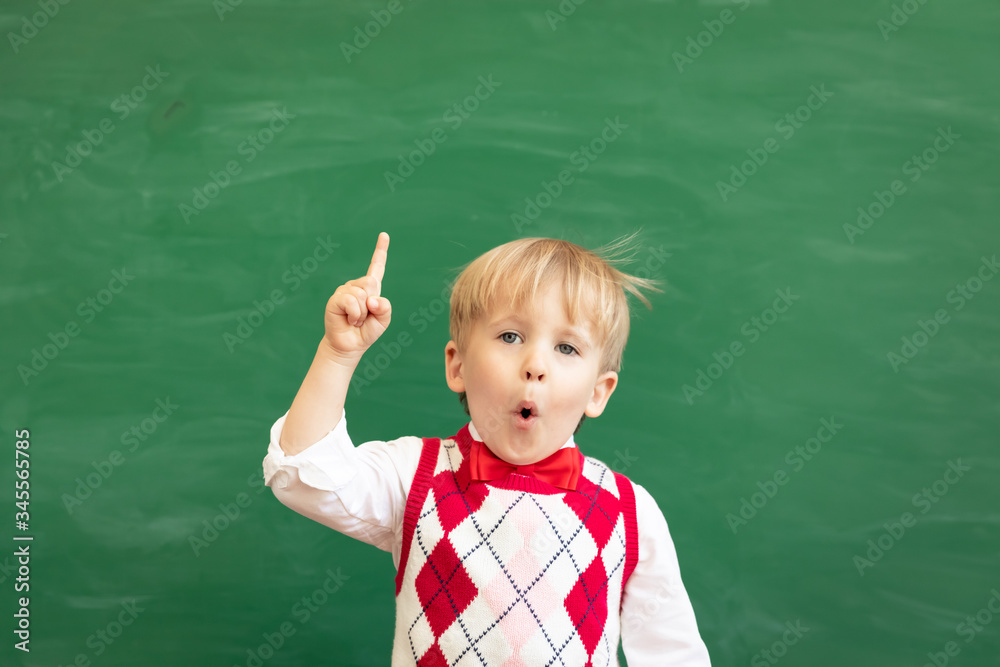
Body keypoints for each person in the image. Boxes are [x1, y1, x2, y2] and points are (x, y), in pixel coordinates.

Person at [262, 231, 712, 666]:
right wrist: (338, 355)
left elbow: (673, 655)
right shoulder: (415, 477)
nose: (535, 365)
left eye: (566, 347)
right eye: (510, 337)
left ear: (599, 391)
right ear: (457, 366)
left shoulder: (629, 514)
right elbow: (305, 474)